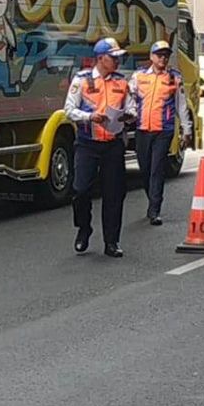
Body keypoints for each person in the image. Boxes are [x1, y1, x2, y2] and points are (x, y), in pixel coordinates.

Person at [65, 37, 136, 258]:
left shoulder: (122, 82)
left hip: (113, 144)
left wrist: (127, 116)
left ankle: (112, 241)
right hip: (87, 143)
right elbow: (68, 109)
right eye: (112, 57)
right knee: (80, 189)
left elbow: (132, 110)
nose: (117, 61)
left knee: (114, 194)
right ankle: (84, 228)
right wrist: (89, 116)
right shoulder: (82, 80)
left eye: (118, 57)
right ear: (100, 59)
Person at [129, 40, 192, 226]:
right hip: (142, 129)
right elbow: (130, 98)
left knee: (157, 169)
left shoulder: (174, 78)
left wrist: (186, 130)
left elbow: (181, 105)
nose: (163, 58)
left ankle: (154, 209)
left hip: (164, 130)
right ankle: (152, 198)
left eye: (166, 55)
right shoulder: (139, 76)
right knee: (145, 167)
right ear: (151, 57)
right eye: (159, 55)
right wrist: (129, 114)